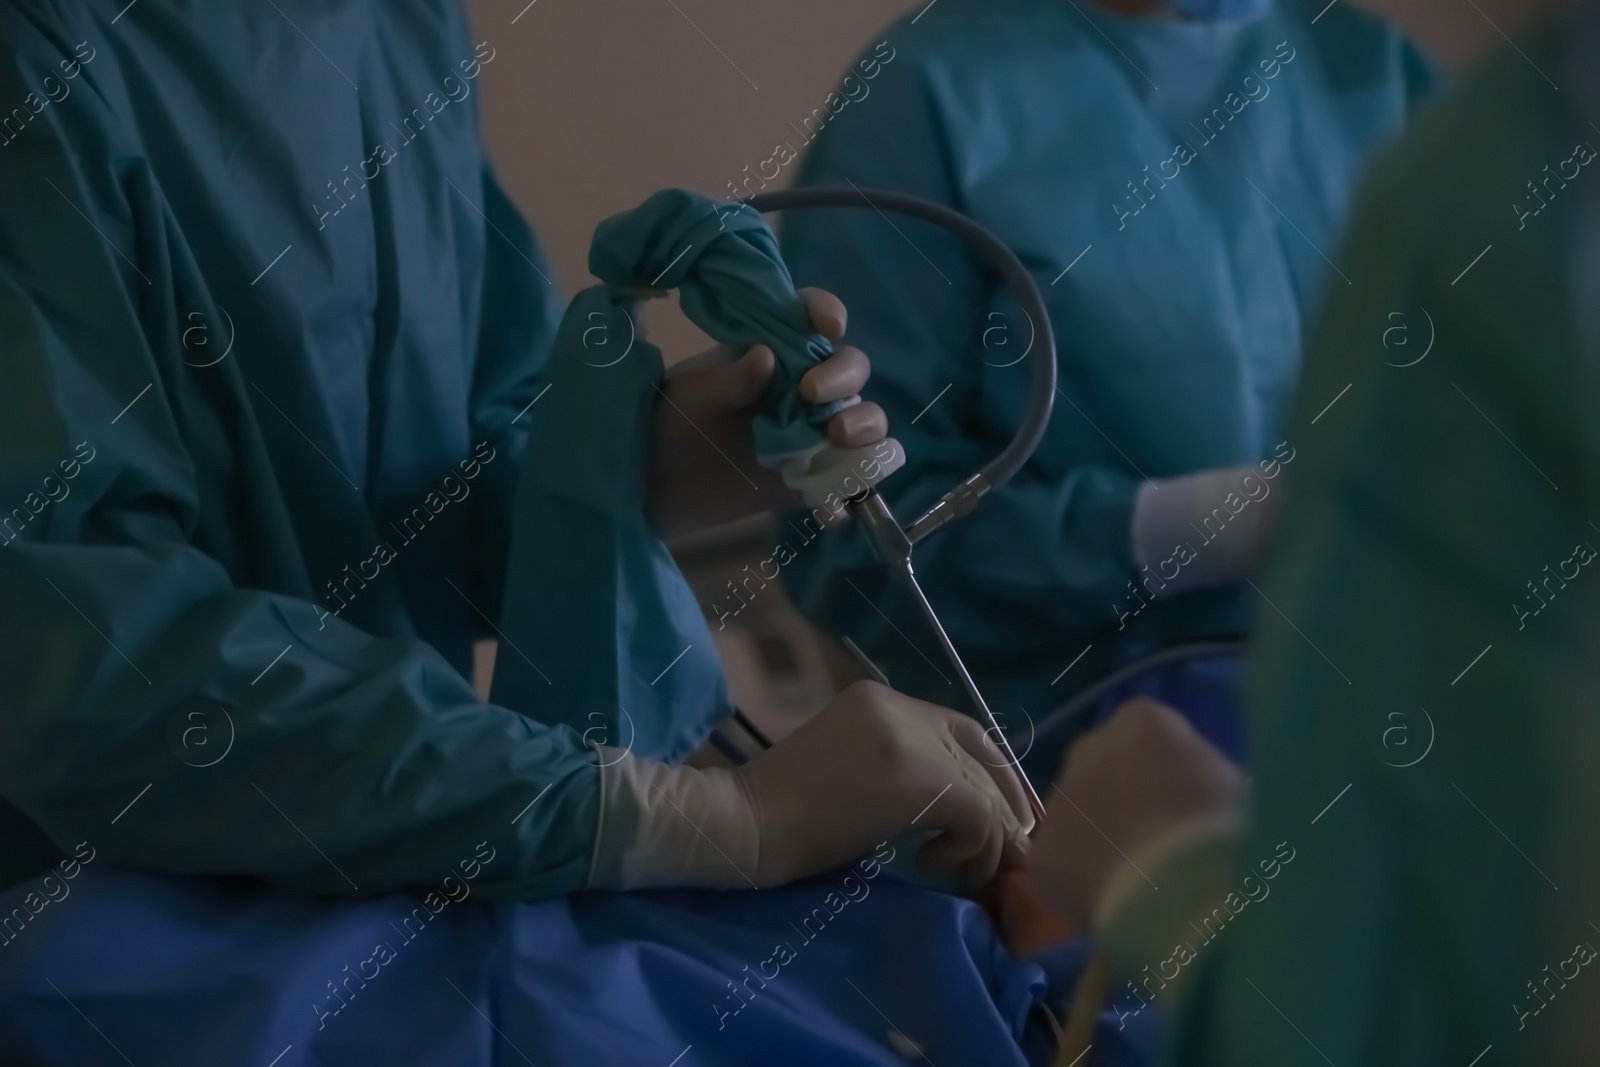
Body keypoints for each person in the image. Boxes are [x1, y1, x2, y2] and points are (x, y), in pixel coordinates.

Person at [0, 0, 1031, 904]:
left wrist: (634, 468)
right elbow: (77, 663)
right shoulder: (40, 53)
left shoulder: (399, 22)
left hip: (398, 850)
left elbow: (429, 462)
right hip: (93, 925)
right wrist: (700, 819)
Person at [1000, 0, 1600, 1059]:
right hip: (1039, 749)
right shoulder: (939, 99)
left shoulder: (1441, 136)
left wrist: (1177, 885)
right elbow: (862, 548)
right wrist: (1152, 530)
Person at [773, 0, 1438, 774]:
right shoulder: (931, 98)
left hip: (1396, 746)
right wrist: (1181, 530)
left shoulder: (1377, 73)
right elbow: (852, 542)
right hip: (1062, 792)